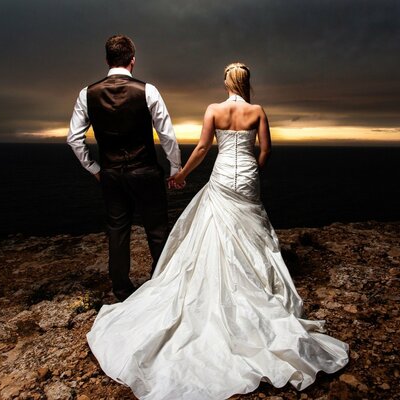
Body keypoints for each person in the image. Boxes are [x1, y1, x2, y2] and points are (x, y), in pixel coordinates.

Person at [87, 62, 349, 399]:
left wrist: (180, 175)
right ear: (247, 83)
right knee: (252, 231)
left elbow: (201, 148)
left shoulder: (214, 109)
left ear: (227, 82)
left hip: (223, 176)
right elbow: (266, 150)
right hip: (247, 180)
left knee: (214, 229)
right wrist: (255, 171)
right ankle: (255, 284)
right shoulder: (258, 111)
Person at [67, 35, 183, 302]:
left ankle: (121, 290)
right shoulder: (148, 90)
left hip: (110, 173)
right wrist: (175, 168)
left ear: (107, 60)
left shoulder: (87, 93)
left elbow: (73, 137)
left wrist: (95, 167)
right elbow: (167, 135)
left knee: (118, 230)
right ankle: (163, 285)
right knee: (157, 231)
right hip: (145, 171)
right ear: (133, 60)